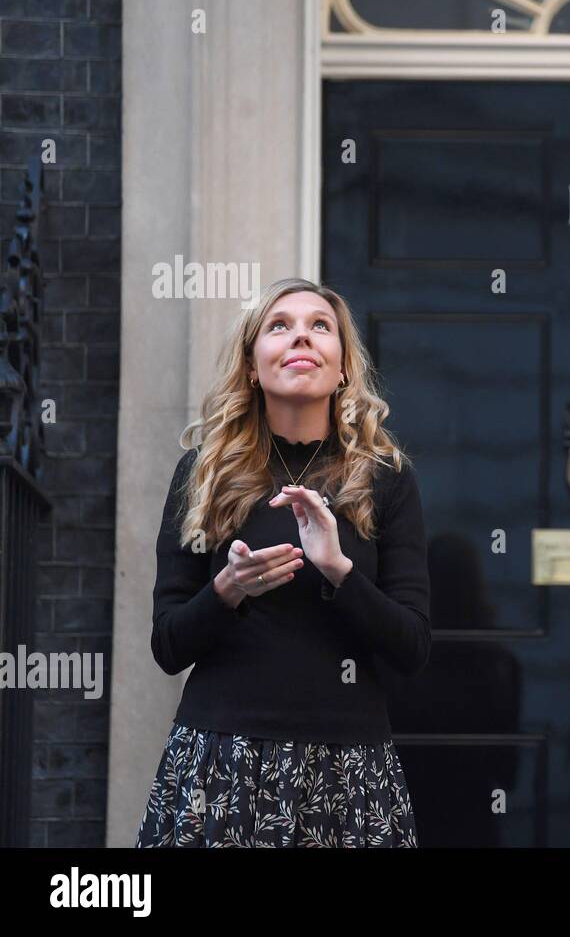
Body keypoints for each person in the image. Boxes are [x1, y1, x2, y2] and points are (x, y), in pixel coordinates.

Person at [136, 277, 432, 847]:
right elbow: (168, 647)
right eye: (280, 326)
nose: (301, 337)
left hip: (349, 768)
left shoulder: (385, 478)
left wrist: (339, 571)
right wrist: (226, 589)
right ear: (252, 366)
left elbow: (411, 647)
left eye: (320, 326)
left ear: (343, 366)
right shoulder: (205, 473)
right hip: (223, 758)